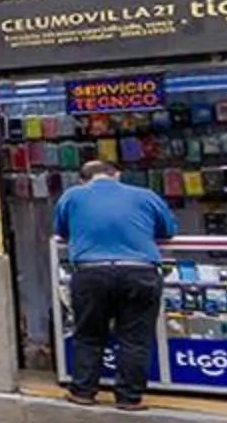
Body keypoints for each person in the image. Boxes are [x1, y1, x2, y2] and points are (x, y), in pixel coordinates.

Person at [53, 155, 174, 410]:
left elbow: (61, 232)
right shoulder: (145, 195)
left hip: (91, 272)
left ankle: (83, 391)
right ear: (116, 174)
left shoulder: (72, 196)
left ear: (83, 180)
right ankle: (129, 397)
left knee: (88, 334)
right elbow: (168, 230)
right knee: (135, 337)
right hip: (139, 271)